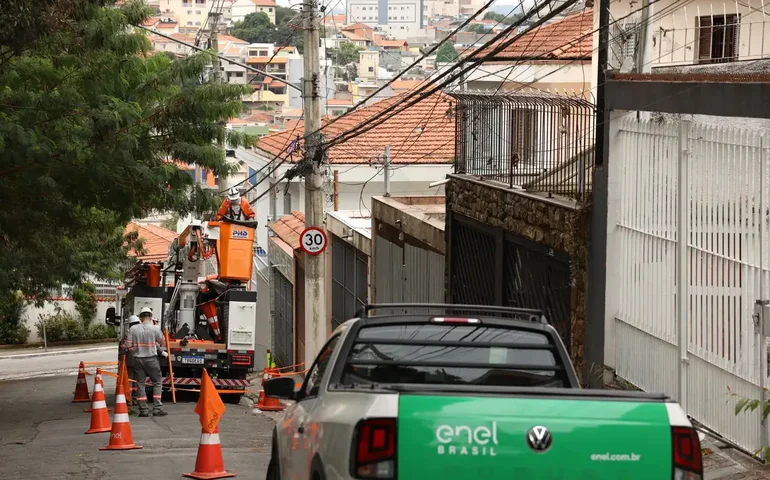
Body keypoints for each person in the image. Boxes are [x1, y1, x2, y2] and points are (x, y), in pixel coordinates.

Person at [127, 307, 168, 417]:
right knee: (157, 382)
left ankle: (143, 410)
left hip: (138, 359)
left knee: (140, 383)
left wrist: (136, 349)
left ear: (140, 317)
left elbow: (127, 345)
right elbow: (161, 341)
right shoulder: (155, 328)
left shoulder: (133, 329)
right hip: (151, 359)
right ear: (150, 317)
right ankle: (157, 408)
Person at [119, 315, 141, 408]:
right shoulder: (142, 333)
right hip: (140, 360)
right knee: (138, 380)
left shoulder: (128, 334)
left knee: (130, 379)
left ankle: (129, 399)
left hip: (129, 360)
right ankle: (136, 398)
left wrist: (121, 358)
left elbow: (123, 348)